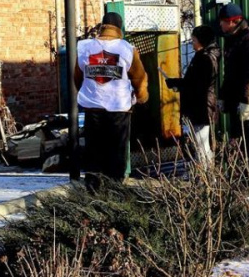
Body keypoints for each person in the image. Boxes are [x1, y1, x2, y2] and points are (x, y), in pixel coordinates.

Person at [74, 12, 148, 185]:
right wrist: (141, 96)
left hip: (93, 109)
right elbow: (139, 78)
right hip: (119, 109)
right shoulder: (127, 49)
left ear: (102, 26)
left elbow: (78, 77)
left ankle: (93, 192)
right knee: (116, 153)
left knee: (94, 152)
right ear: (119, 27)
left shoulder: (85, 47)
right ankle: (114, 193)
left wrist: (89, 92)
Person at [218, 2, 249, 168]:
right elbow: (229, 73)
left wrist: (247, 102)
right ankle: (241, 182)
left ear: (232, 21)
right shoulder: (233, 39)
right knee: (237, 142)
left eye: (223, 21)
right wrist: (223, 96)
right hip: (236, 100)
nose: (220, 24)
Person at [165, 25, 220, 164]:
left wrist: (179, 84)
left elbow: (198, 85)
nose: (192, 44)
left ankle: (206, 178)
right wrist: (179, 84)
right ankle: (206, 177)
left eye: (194, 40)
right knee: (201, 144)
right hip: (201, 105)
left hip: (202, 106)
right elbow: (194, 83)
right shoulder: (203, 56)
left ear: (202, 41)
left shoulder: (206, 58)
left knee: (202, 145)